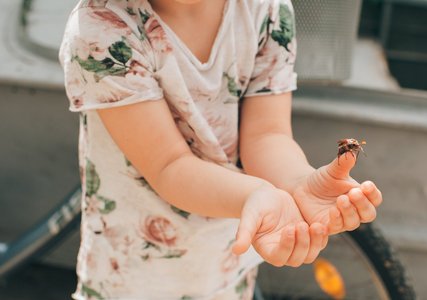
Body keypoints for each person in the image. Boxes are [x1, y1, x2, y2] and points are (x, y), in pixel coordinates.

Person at [59, 0, 383, 299]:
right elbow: (168, 166)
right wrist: (254, 194)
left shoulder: (265, 10)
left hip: (231, 256)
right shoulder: (102, 30)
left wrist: (298, 183)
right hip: (134, 274)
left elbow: (266, 135)